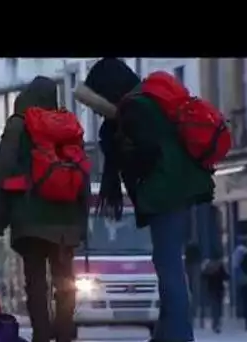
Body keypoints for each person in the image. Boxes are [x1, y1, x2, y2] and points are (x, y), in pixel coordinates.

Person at [74, 58, 215, 342]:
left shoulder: (138, 109)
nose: (95, 109)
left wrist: (123, 139)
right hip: (173, 190)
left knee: (169, 265)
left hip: (167, 193)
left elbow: (147, 153)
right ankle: (168, 333)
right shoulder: (139, 105)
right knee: (165, 262)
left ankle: (178, 336)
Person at [0, 76, 90, 342]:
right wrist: (82, 220)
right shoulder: (69, 126)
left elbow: (1, 169)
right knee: (64, 281)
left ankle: (42, 334)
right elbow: (82, 173)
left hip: (29, 217)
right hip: (66, 220)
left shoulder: (18, 125)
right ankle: (64, 331)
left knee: (35, 281)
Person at [201, 259, 229, 333]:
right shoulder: (220, 266)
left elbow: (203, 276)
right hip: (219, 289)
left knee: (214, 307)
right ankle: (217, 323)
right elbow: (225, 276)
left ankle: (215, 323)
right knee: (219, 307)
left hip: (211, 289)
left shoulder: (209, 267)